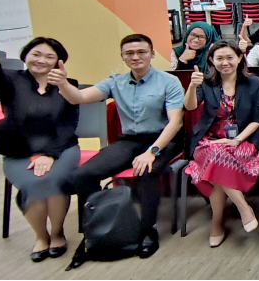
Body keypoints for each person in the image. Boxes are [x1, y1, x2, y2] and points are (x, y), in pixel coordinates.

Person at [57, 34, 184, 263]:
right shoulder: (115, 82)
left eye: (141, 52)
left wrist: (152, 152)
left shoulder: (168, 81)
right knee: (84, 175)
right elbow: (78, 98)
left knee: (146, 172)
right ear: (123, 56)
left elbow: (175, 123)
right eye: (129, 53)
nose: (135, 57)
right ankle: (96, 229)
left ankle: (147, 229)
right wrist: (63, 83)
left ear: (152, 54)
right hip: (129, 141)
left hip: (162, 139)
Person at [0, 40, 79, 262]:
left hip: (61, 148)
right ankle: (41, 236)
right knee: (33, 183)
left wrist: (49, 154)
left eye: (49, 57)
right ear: (26, 55)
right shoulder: (11, 79)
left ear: (58, 62)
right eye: (36, 54)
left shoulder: (67, 85)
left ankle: (57, 233)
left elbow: (67, 125)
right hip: (19, 150)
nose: (41, 60)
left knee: (54, 179)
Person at [183, 41, 259, 247]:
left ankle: (217, 221)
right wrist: (192, 86)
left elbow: (257, 120)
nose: (225, 62)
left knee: (217, 160)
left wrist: (236, 140)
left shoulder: (254, 83)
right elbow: (190, 106)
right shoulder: (206, 83)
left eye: (230, 57)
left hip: (243, 141)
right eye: (219, 58)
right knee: (215, 154)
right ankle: (243, 207)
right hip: (210, 140)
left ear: (239, 58)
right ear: (211, 61)